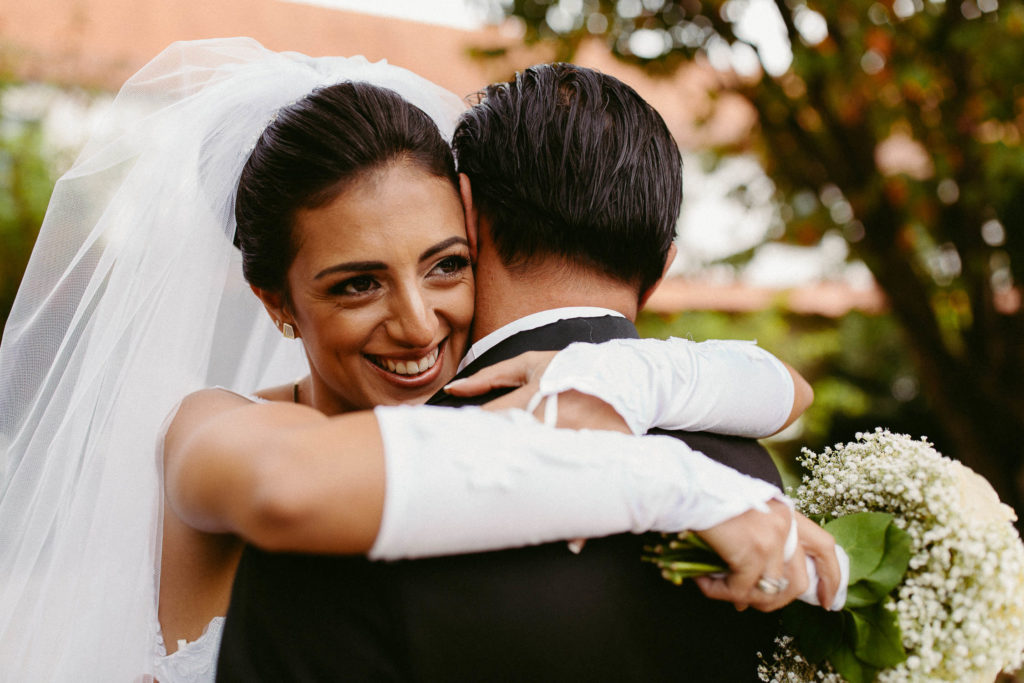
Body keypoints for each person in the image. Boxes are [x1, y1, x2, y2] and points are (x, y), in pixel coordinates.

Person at [0, 39, 831, 682]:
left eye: (446, 265)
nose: (417, 322)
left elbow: (787, 389)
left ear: (477, 233)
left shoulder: (514, 392)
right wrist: (671, 482)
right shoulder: (215, 426)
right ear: (276, 302)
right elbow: (290, 486)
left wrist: (627, 377)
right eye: (358, 283)